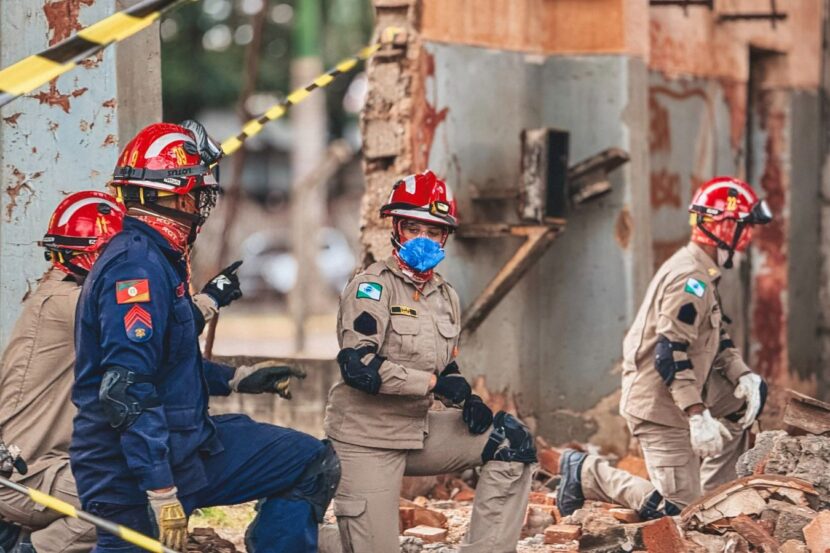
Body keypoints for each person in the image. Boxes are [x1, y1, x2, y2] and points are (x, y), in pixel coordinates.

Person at [70, 121, 336, 553]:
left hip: (186, 447)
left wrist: (237, 378)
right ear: (177, 196)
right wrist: (161, 491)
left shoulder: (159, 259)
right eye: (198, 193)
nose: (201, 205)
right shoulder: (136, 269)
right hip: (130, 472)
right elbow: (125, 390)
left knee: (307, 459)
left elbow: (167, 360)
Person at [0, 190, 249, 553]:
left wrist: (236, 379)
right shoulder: (66, 303)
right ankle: (29, 549)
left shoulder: (60, 295)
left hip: (40, 466)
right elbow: (164, 325)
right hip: (26, 473)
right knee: (121, 499)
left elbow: (158, 363)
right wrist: (210, 300)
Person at [325, 170, 537, 553]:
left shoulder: (445, 295)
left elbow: (444, 366)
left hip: (417, 429)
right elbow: (359, 367)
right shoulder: (371, 287)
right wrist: (434, 385)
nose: (423, 239)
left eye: (433, 231)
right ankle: (288, 536)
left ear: (445, 237)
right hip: (366, 438)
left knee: (511, 440)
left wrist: (467, 398)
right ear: (396, 228)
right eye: (413, 228)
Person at [556, 176, 772, 517]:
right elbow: (670, 353)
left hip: (683, 392)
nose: (749, 237)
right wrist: (697, 415)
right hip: (659, 407)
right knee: (677, 515)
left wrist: (743, 375)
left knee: (745, 401)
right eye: (744, 227)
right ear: (723, 226)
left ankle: (715, 497)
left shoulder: (704, 273)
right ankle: (586, 473)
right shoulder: (690, 279)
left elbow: (716, 337)